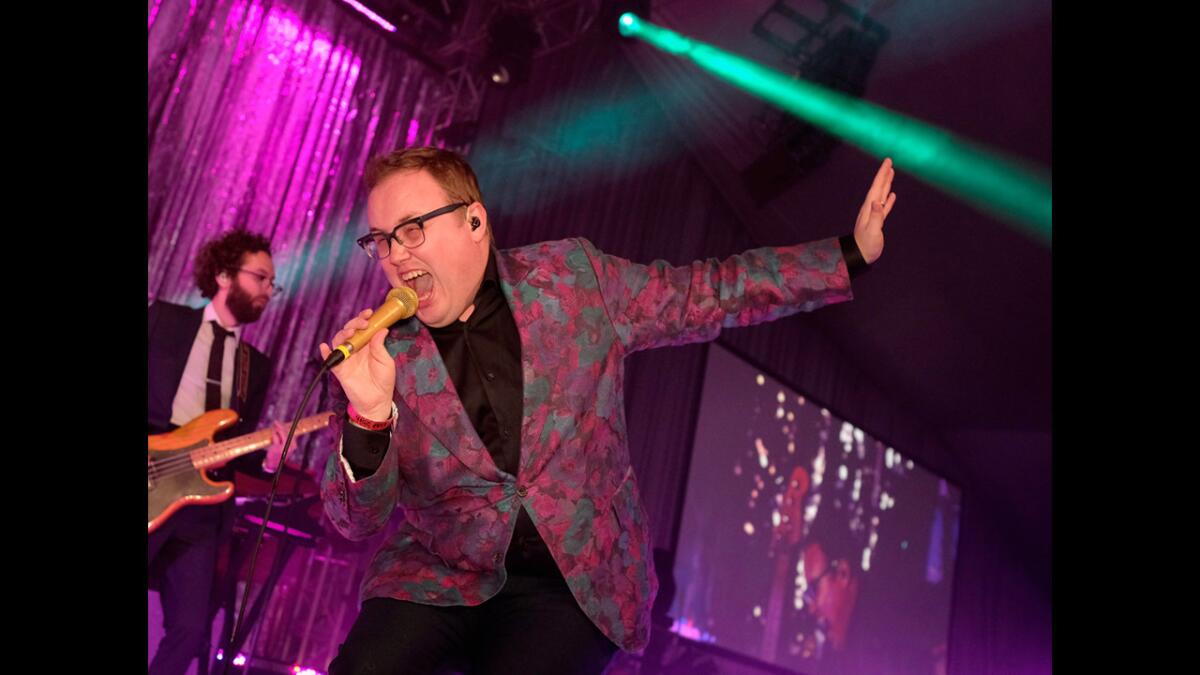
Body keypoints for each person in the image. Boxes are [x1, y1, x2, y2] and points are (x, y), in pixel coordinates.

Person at [318, 146, 897, 674]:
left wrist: (845, 257)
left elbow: (709, 292)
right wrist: (368, 415)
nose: (396, 255)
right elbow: (354, 521)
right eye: (382, 240)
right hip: (439, 575)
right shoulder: (383, 351)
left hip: (570, 583)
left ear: (475, 221)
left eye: (413, 230)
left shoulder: (573, 280)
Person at [148, 229, 288, 675]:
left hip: (203, 509)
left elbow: (238, 455)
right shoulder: (164, 320)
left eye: (272, 283)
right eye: (261, 278)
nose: (269, 290)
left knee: (190, 628)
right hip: (153, 474)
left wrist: (268, 457)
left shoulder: (256, 364)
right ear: (225, 275)